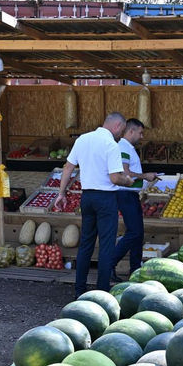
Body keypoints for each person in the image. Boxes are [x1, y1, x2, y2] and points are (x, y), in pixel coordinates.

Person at [55, 112, 134, 297]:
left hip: (87, 197)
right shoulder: (111, 145)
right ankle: (101, 293)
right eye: (121, 130)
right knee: (106, 247)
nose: (120, 135)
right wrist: (128, 181)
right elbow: (115, 177)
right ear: (116, 126)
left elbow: (68, 167)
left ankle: (79, 290)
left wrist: (61, 193)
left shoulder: (83, 139)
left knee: (86, 245)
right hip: (106, 199)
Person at [112, 118, 157, 280]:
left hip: (130, 194)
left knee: (138, 233)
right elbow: (125, 172)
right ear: (130, 131)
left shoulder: (127, 148)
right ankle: (111, 263)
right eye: (140, 132)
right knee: (133, 232)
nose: (142, 136)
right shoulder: (123, 147)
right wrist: (146, 176)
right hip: (124, 193)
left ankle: (135, 270)